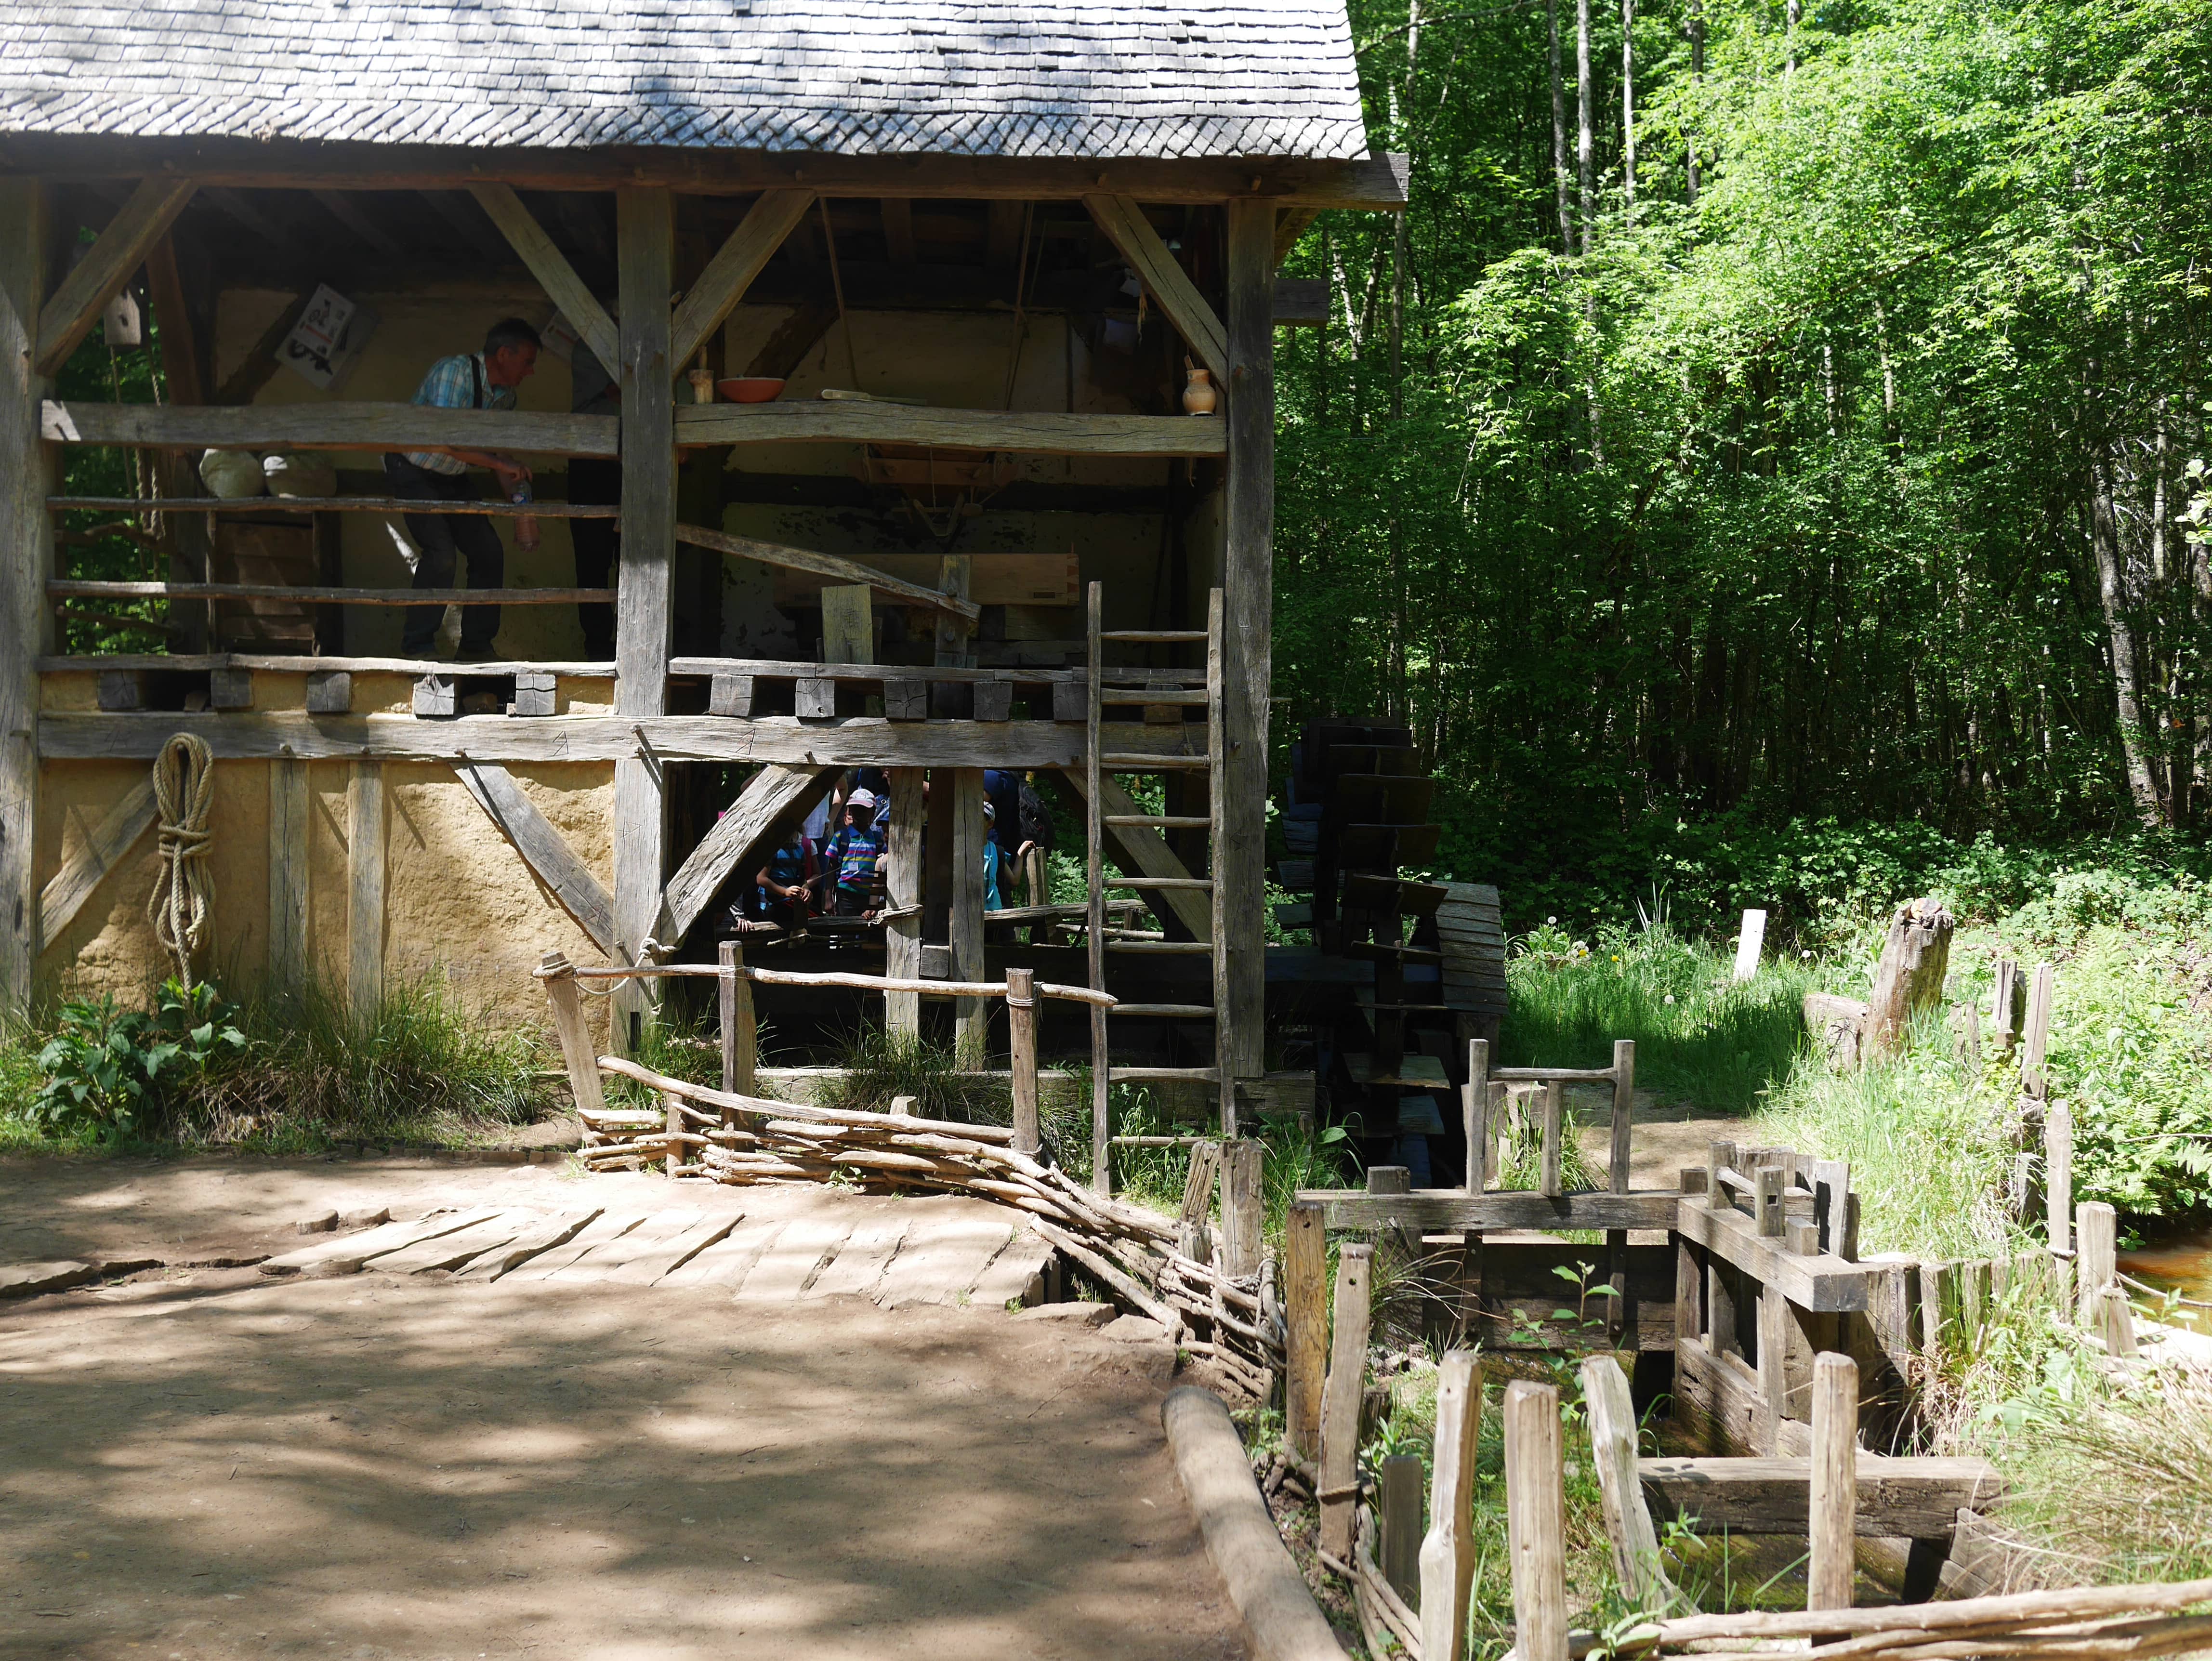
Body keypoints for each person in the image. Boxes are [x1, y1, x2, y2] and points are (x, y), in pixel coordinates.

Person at [385, 317, 542, 660]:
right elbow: (444, 441)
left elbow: (500, 454)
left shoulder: (506, 397)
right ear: (504, 354)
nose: (530, 372)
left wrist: (518, 501)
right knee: (441, 555)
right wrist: (501, 465)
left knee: (489, 552)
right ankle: (418, 648)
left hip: (452, 478)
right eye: (527, 362)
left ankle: (476, 647)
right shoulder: (453, 372)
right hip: (412, 469)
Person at [565, 337, 620, 659]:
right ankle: (598, 649)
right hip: (591, 463)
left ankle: (635, 645)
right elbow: (617, 391)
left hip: (637, 463)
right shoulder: (589, 343)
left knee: (642, 561)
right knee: (592, 563)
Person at [820, 788, 887, 918]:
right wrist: (828, 897)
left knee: (867, 929)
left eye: (864, 810)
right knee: (846, 930)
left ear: (873, 813)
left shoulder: (878, 839)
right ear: (850, 811)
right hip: (846, 894)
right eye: (856, 809)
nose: (859, 813)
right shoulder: (841, 837)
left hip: (870, 896)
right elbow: (831, 868)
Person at [753, 825, 817, 928]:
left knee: (815, 917)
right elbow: (761, 879)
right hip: (774, 903)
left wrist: (805, 889)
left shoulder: (800, 850)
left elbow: (802, 878)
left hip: (792, 902)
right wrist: (785, 892)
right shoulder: (771, 850)